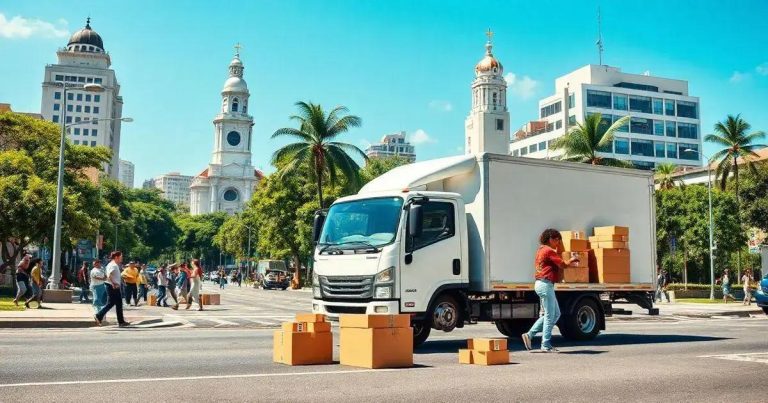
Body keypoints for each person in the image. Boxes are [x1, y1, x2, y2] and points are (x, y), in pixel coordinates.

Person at [522, 229, 579, 353]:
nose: (558, 242)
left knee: (556, 314)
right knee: (549, 315)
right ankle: (546, 345)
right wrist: (572, 259)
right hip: (545, 284)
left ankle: (530, 335)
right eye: (557, 239)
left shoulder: (541, 250)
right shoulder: (548, 251)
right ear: (551, 239)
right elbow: (562, 264)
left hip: (541, 284)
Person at [94, 251, 129, 327]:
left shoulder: (114, 264)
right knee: (111, 302)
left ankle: (121, 321)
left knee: (119, 303)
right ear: (116, 257)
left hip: (114, 286)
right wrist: (113, 284)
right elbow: (109, 275)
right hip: (112, 286)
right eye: (121, 257)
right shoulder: (113, 265)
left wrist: (120, 281)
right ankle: (99, 315)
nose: (121, 258)